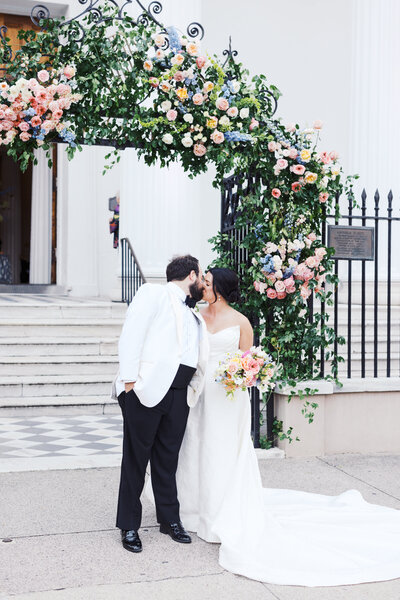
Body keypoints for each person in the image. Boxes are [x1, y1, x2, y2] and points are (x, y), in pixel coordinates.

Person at [174, 267, 400, 587]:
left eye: (207, 283)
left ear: (220, 289)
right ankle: (191, 509)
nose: (201, 287)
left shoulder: (240, 322)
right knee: (194, 445)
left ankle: (217, 513)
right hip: (198, 394)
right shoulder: (195, 315)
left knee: (220, 450)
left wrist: (243, 375)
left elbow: (249, 363)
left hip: (227, 398)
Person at [112, 255, 208, 553]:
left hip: (179, 394)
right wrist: (130, 385)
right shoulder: (152, 293)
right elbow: (131, 336)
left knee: (168, 461)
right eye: (202, 276)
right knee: (136, 460)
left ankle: (170, 520)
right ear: (192, 274)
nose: (204, 282)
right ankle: (129, 525)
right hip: (145, 392)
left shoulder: (194, 313)